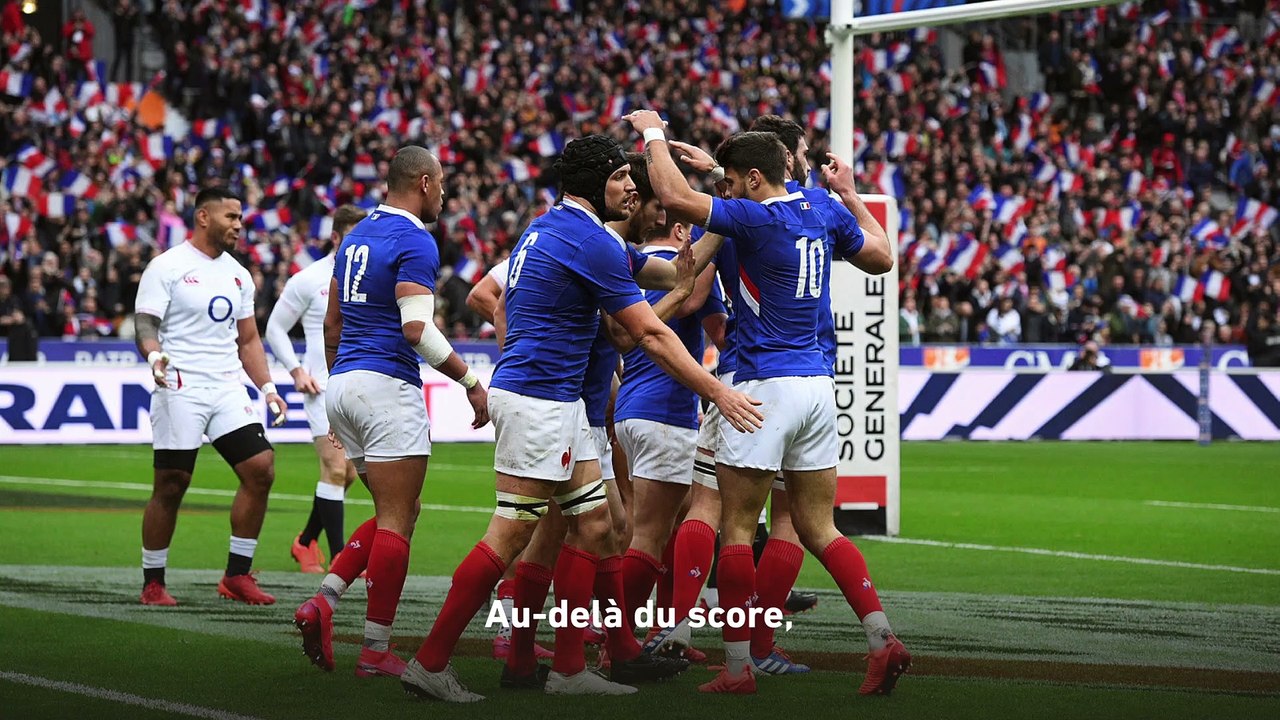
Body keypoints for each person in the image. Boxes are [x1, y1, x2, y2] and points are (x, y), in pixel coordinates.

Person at [400, 135, 762, 701]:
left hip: (558, 401)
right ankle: (430, 660)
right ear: (595, 182)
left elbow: (663, 274)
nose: (632, 186)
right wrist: (717, 390)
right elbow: (644, 332)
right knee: (511, 536)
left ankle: (568, 669)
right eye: (621, 176)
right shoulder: (588, 240)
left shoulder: (555, 228)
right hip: (541, 400)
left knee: (595, 527)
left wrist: (723, 221)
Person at [626, 112, 907, 697]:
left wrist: (653, 132)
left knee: (731, 525)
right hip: (818, 386)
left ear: (753, 179)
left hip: (758, 386)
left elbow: (675, 197)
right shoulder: (822, 207)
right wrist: (852, 195)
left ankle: (735, 669)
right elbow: (881, 258)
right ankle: (882, 638)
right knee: (819, 526)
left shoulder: (750, 219)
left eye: (732, 179)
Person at [293, 147, 489, 679]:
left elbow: (331, 324)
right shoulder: (414, 240)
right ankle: (375, 649)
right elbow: (417, 330)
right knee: (399, 521)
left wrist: (338, 391)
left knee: (393, 512)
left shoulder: (354, 235)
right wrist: (472, 382)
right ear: (423, 183)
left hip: (346, 383)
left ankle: (325, 601)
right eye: (442, 183)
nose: (444, 194)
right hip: (386, 384)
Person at [134, 186, 287, 608]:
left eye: (240, 218)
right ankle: (153, 582)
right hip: (179, 383)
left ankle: (236, 575)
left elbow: (249, 339)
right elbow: (145, 323)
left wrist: (268, 388)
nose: (239, 225)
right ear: (204, 217)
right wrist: (154, 357)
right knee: (172, 483)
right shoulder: (167, 267)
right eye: (231, 217)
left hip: (225, 386)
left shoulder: (238, 274)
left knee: (261, 468)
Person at [265, 205, 366, 573]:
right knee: (336, 468)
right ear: (336, 238)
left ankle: (306, 540)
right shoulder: (308, 279)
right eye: (354, 237)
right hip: (319, 387)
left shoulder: (368, 276)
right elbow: (275, 329)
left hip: (356, 386)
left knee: (349, 474)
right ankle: (341, 558)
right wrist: (295, 371)